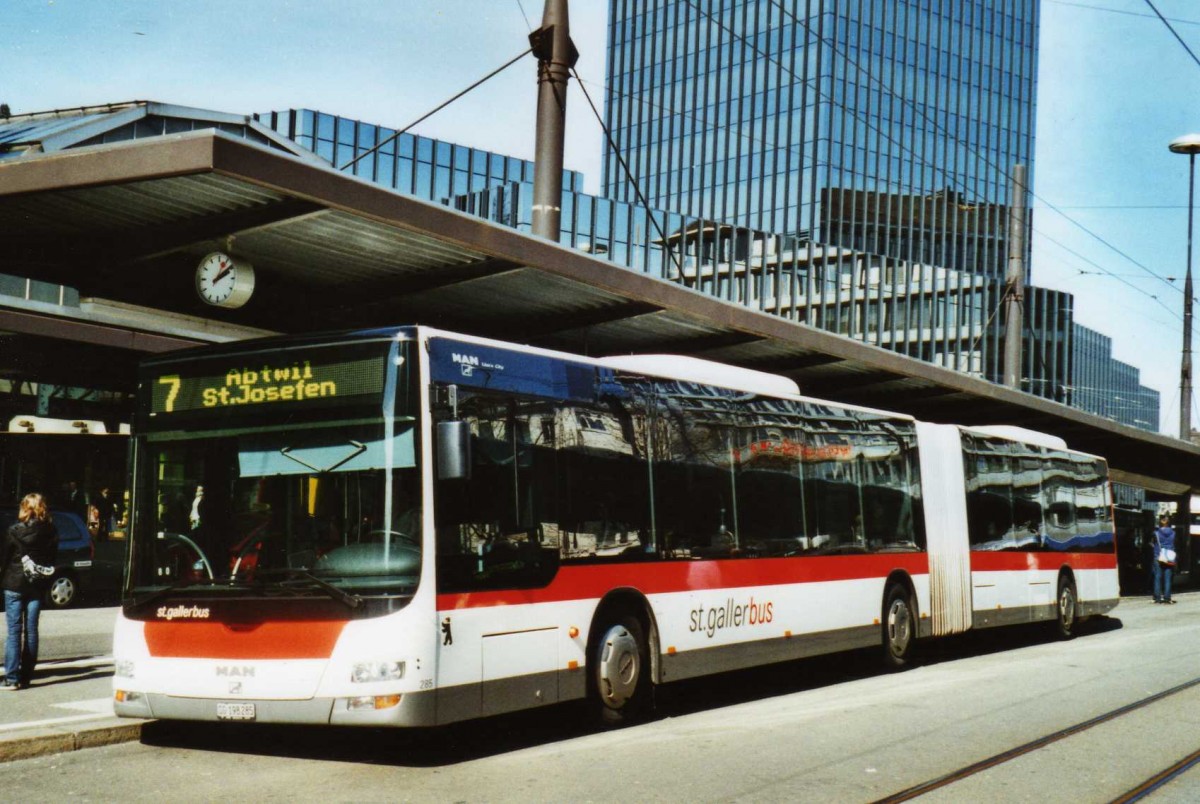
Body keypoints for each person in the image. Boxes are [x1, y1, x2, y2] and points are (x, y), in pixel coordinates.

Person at [1, 493, 59, 690]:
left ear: (24, 508)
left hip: (14, 584)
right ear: (43, 508)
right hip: (36, 586)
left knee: (14, 632)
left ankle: (11, 677)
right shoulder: (51, 531)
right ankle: (26, 676)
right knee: (32, 631)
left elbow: (4, 559)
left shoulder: (13, 530)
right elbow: (52, 558)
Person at [1152, 514, 1177, 605]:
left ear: (1160, 521)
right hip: (1169, 557)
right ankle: (1167, 598)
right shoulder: (1173, 533)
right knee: (1167, 578)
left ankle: (1157, 598)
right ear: (1168, 522)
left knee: (1157, 577)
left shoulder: (1156, 533)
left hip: (1158, 556)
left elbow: (1151, 543)